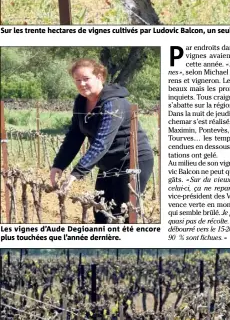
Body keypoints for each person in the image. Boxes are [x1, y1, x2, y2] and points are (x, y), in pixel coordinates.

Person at [50, 58, 154, 222]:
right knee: (100, 211)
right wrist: (59, 164)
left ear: (99, 77)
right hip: (108, 163)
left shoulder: (113, 103)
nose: (82, 84)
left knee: (123, 212)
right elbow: (75, 135)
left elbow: (102, 142)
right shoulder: (81, 102)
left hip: (132, 161)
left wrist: (77, 173)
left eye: (86, 79)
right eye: (78, 80)